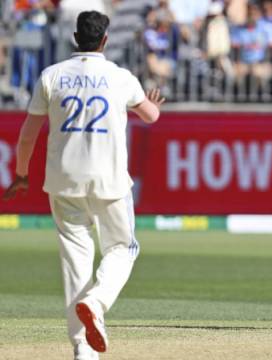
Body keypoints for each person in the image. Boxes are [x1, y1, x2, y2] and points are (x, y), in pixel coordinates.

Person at [1, 11, 164, 360]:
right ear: (105, 40)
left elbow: (28, 135)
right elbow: (150, 116)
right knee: (122, 248)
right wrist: (153, 104)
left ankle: (83, 349)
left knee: (76, 260)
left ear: (76, 37)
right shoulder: (120, 77)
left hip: (63, 179)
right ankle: (97, 301)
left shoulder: (52, 75)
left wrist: (22, 174)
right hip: (109, 179)